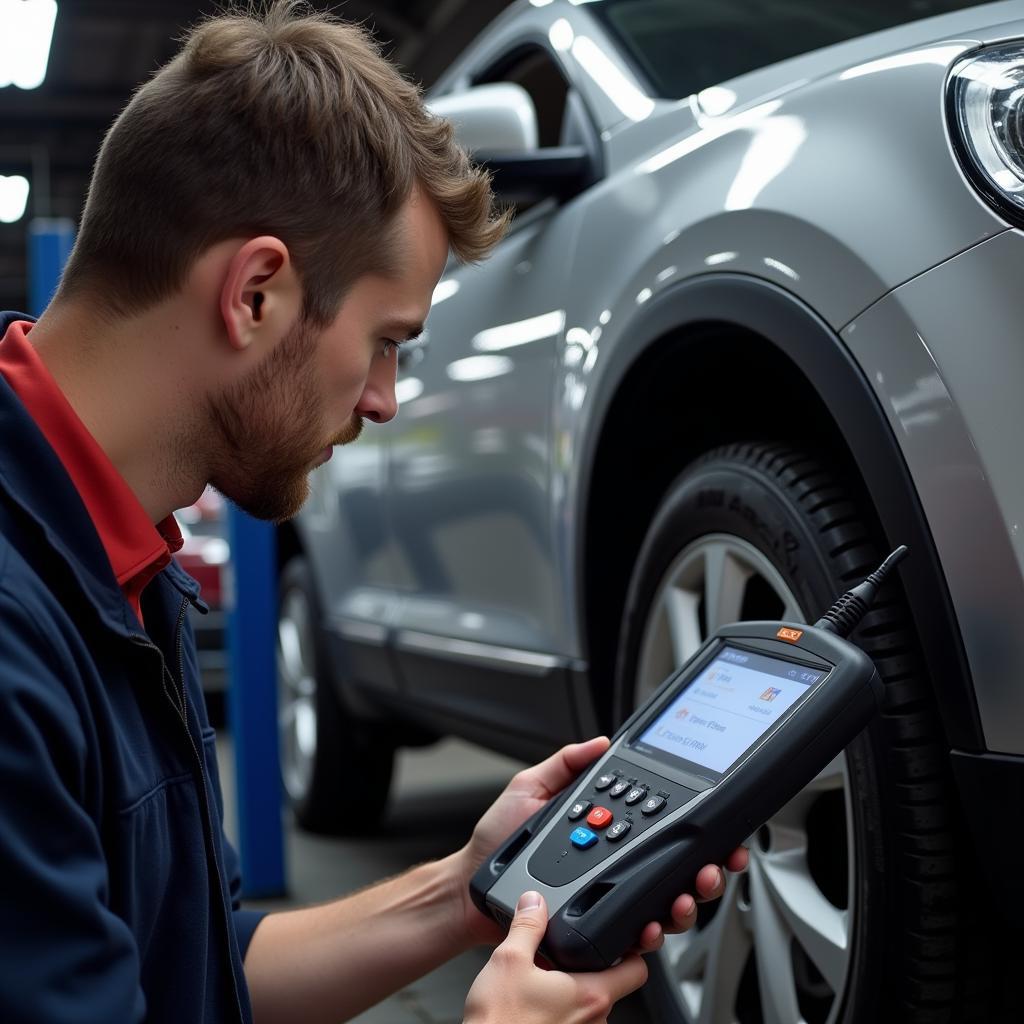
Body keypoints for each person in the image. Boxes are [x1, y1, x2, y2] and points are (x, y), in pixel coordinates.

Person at [0, 3, 747, 1022]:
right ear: (255, 294)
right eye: (388, 340)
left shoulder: (113, 556)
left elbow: (209, 961)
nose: (384, 400)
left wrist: (473, 887)